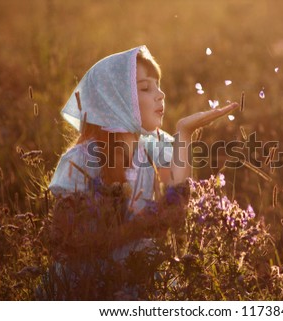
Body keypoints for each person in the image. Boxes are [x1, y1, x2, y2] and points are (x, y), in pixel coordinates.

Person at [45, 45, 238, 299]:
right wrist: (137, 228)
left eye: (158, 86)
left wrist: (184, 133)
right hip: (88, 281)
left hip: (139, 270)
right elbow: (65, 241)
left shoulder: (149, 148)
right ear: (115, 98)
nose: (161, 95)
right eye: (146, 88)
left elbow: (177, 204)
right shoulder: (81, 159)